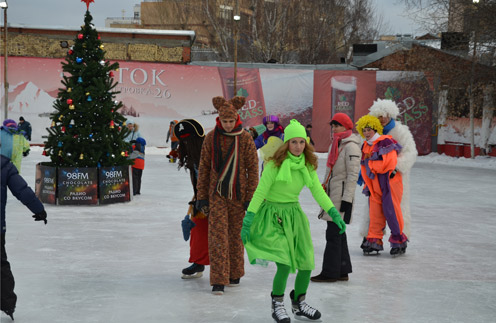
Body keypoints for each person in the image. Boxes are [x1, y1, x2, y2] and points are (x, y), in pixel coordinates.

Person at [241, 119, 346, 323]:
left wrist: (333, 213)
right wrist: (248, 219)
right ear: (286, 143)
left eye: (301, 142)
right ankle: (277, 303)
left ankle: (299, 304)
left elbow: (317, 191)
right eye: (293, 142)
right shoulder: (274, 164)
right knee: (283, 263)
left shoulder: (307, 166)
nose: (298, 146)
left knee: (306, 262)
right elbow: (260, 192)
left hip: (294, 216)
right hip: (272, 216)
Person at [196, 96, 259, 295]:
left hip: (239, 194)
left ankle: (234, 272)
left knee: (236, 235)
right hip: (216, 195)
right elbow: (204, 168)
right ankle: (218, 279)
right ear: (219, 120)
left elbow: (252, 168)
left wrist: (251, 197)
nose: (229, 125)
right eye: (225, 121)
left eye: (232, 121)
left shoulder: (246, 138)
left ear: (237, 119)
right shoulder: (210, 138)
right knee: (217, 236)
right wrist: (202, 196)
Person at [359, 99, 417, 250]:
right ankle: (372, 237)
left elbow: (410, 153)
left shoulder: (400, 131)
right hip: (374, 179)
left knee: (396, 208)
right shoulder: (370, 131)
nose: (383, 118)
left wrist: (394, 166)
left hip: (394, 178)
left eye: (386, 115)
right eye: (379, 115)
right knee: (374, 208)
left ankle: (399, 238)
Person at [311, 113, 361, 283]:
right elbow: (331, 170)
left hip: (341, 196)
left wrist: (347, 199)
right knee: (338, 233)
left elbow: (353, 175)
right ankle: (342, 269)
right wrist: (324, 185)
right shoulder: (337, 143)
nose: (333, 129)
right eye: (332, 125)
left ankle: (330, 272)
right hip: (333, 193)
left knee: (333, 233)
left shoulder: (351, 146)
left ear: (346, 127)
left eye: (337, 125)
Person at [1, 155, 48, 320]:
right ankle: (7, 303)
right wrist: (38, 210)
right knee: (0, 265)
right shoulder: (4, 165)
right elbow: (22, 190)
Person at [355, 115, 407, 256]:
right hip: (374, 182)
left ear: (375, 129)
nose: (366, 133)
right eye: (364, 130)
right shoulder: (366, 145)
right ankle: (374, 241)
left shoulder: (385, 141)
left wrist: (371, 164)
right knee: (375, 212)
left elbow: (388, 164)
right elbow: (364, 165)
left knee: (391, 211)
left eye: (369, 130)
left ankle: (398, 241)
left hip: (389, 181)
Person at [175, 119, 209, 279]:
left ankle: (225, 267)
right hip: (199, 199)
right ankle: (198, 262)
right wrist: (196, 199)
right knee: (197, 230)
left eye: (189, 140)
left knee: (219, 234)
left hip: (216, 200)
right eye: (184, 141)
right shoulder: (192, 157)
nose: (186, 144)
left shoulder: (209, 154)